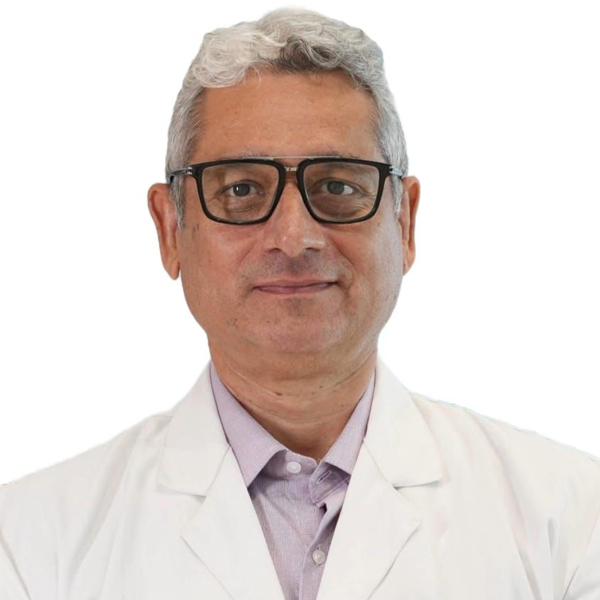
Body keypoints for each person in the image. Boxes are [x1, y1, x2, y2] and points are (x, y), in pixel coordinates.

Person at [1, 7, 598, 600]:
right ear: (170, 230)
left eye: (337, 186)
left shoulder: (569, 523)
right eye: (241, 189)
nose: (294, 237)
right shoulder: (29, 546)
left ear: (405, 223)